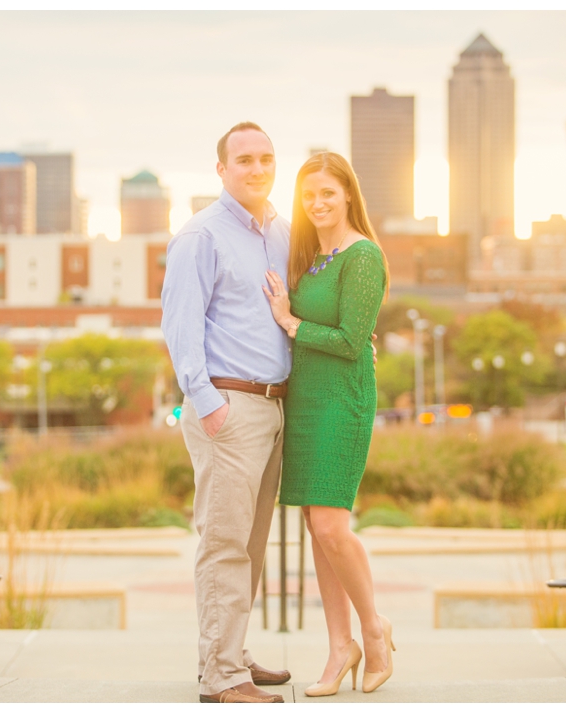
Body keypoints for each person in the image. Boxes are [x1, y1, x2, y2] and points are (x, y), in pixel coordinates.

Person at [161, 122, 291, 704]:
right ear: (221, 169)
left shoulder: (279, 232)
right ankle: (221, 678)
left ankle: (230, 652)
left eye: (265, 158)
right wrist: (208, 404)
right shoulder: (201, 236)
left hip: (272, 408)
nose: (257, 168)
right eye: (244, 160)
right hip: (229, 406)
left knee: (251, 544)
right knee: (223, 544)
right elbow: (179, 326)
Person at [261, 152, 395, 697]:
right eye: (308, 196)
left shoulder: (362, 255)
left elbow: (348, 340)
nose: (317, 204)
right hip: (306, 402)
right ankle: (340, 648)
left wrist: (290, 321)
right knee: (318, 529)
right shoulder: (312, 256)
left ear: (347, 196)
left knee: (333, 526)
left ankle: (374, 630)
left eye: (327, 194)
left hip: (343, 401)